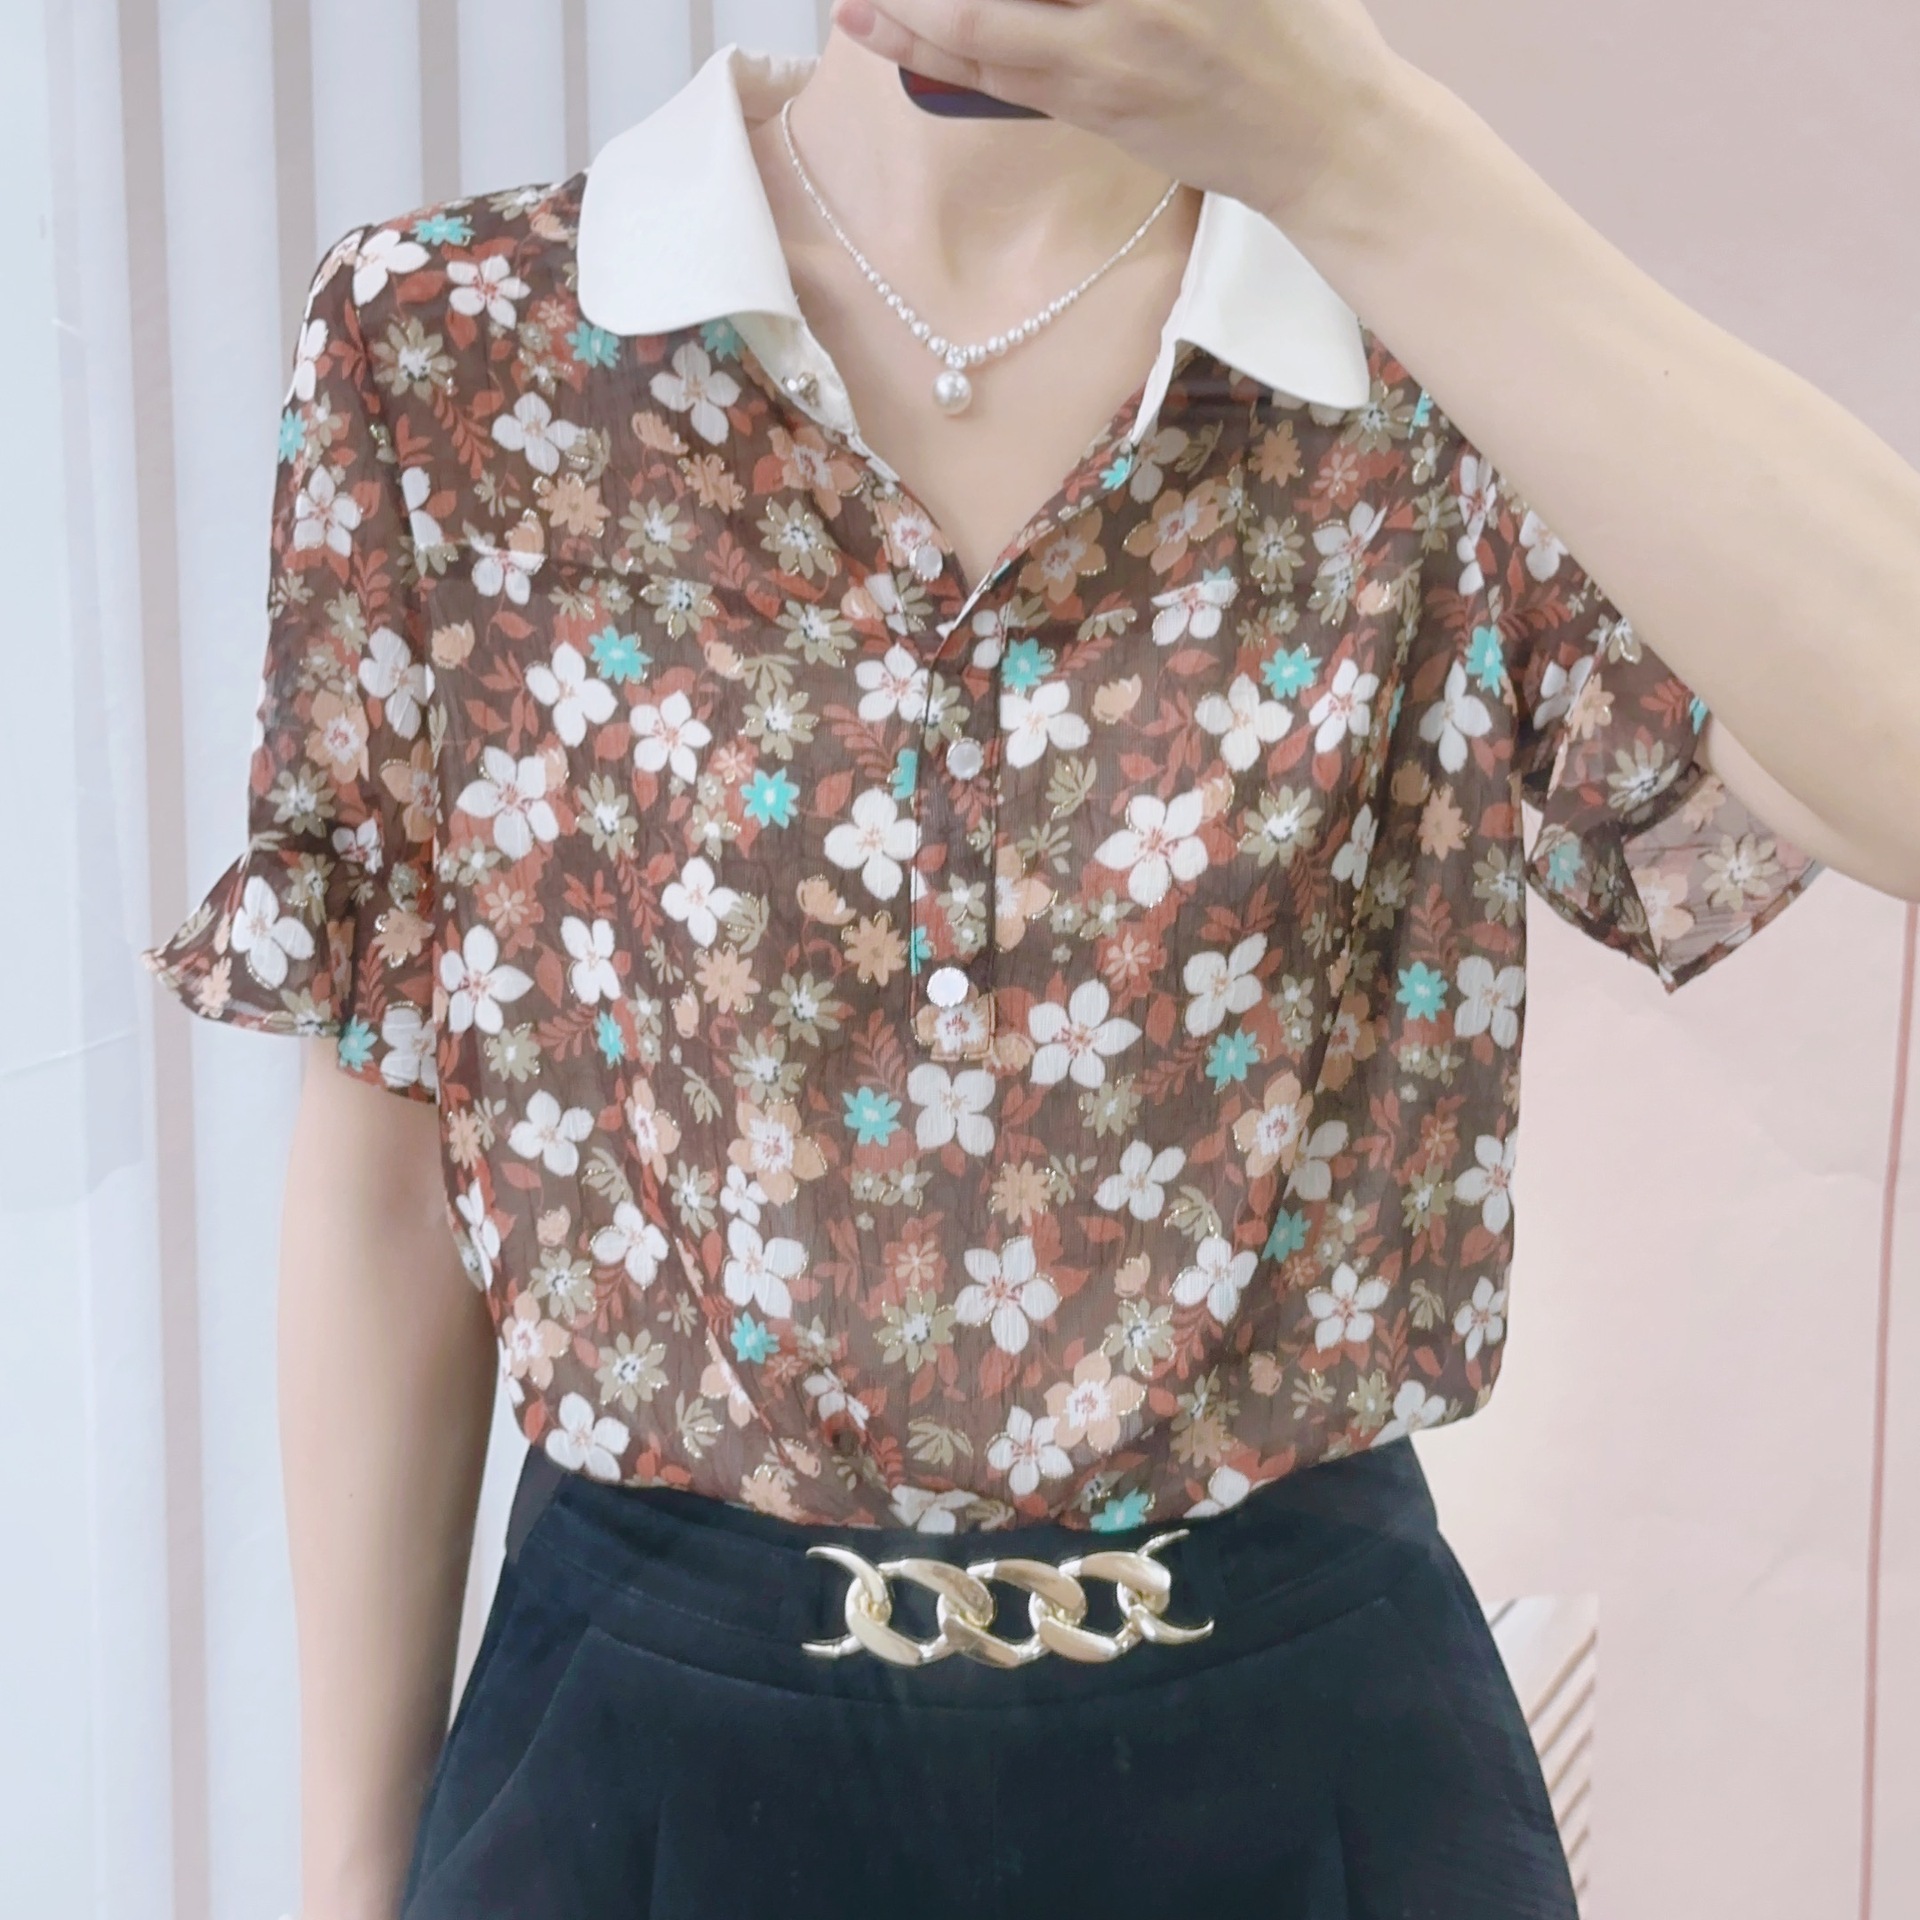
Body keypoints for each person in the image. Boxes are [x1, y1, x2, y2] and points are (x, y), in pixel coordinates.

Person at [139, 3, 1920, 1915]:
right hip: (637, 1754)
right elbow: (393, 1162)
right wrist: (347, 1881)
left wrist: (1361, 150)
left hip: (1310, 1741)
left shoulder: (1427, 353)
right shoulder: (457, 344)